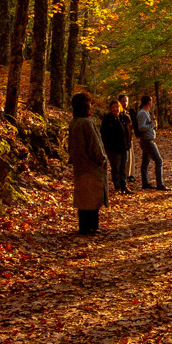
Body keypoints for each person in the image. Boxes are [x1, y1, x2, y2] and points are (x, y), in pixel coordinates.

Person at [68, 90, 109, 235]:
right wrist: (101, 159)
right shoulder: (86, 122)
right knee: (93, 198)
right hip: (92, 167)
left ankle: (83, 226)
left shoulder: (74, 122)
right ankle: (92, 226)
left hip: (80, 167)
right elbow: (94, 145)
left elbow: (70, 146)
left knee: (83, 198)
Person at [135, 93, 167, 191]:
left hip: (147, 140)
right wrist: (152, 125)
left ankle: (145, 183)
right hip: (147, 141)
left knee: (145, 163)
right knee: (159, 160)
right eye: (151, 101)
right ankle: (160, 184)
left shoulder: (145, 112)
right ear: (149, 102)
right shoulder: (142, 113)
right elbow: (141, 127)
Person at [100, 97, 129, 195]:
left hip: (123, 147)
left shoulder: (123, 117)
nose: (115, 109)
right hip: (112, 148)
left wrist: (128, 144)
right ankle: (117, 186)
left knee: (123, 167)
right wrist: (106, 146)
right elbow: (103, 134)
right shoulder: (107, 119)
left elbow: (127, 132)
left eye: (117, 107)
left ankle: (124, 186)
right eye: (113, 107)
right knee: (116, 167)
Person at [120, 94, 136, 186]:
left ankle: (130, 174)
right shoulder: (119, 113)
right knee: (125, 158)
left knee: (130, 156)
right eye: (123, 101)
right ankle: (125, 175)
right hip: (123, 139)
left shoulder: (128, 113)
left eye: (126, 101)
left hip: (129, 137)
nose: (125, 103)